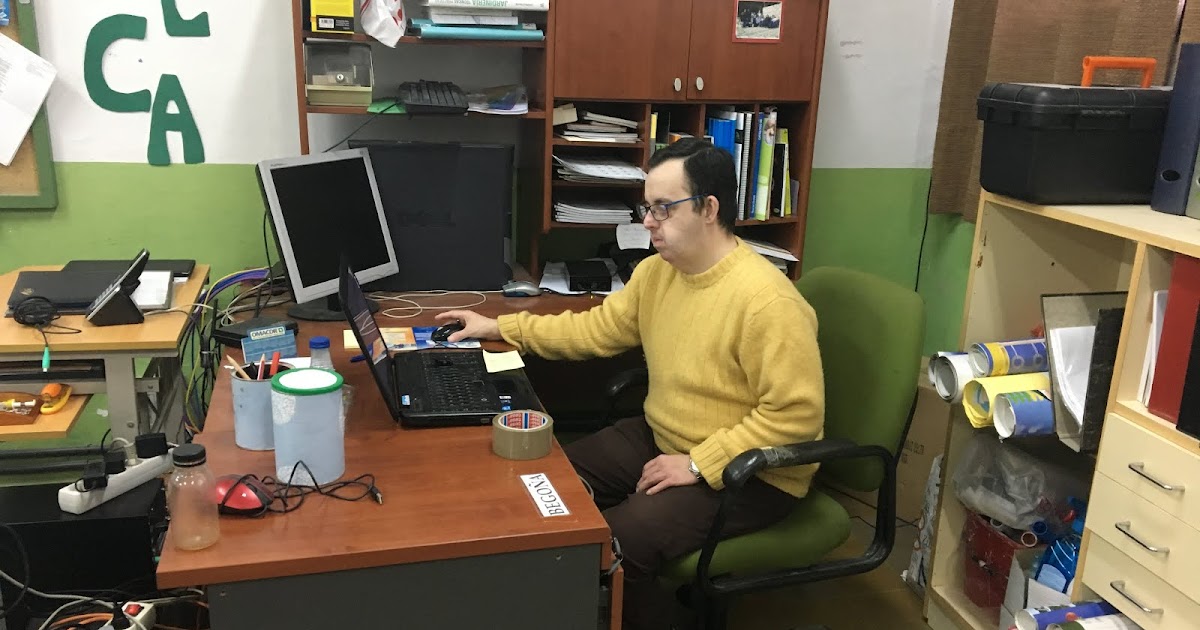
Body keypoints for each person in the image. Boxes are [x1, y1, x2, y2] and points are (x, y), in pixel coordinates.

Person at [437, 137, 824, 630]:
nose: (648, 223)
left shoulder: (769, 303)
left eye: (663, 208)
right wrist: (499, 326)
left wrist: (698, 463)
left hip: (752, 474)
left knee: (618, 540)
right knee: (549, 478)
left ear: (709, 209)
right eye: (647, 208)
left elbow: (796, 418)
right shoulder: (659, 273)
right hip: (665, 437)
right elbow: (595, 330)